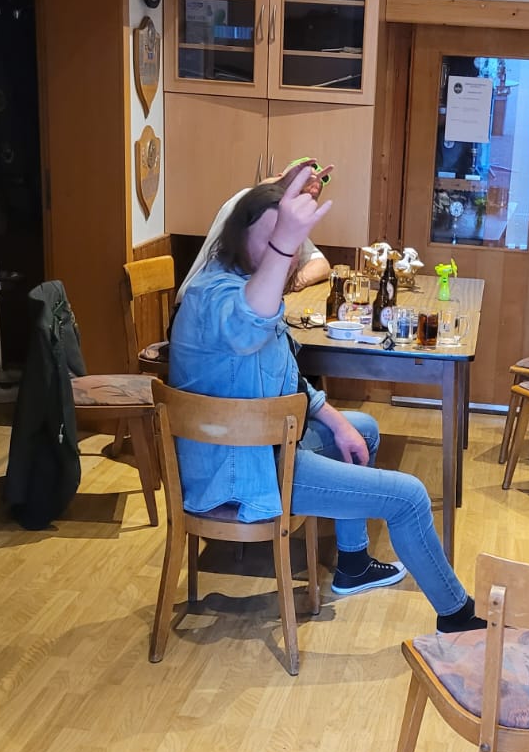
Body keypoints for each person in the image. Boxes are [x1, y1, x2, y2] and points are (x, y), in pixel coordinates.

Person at [168, 165, 488, 631]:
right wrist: (284, 243)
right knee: (409, 497)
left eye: (290, 241)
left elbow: (286, 378)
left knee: (361, 429)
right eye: (272, 239)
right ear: (237, 235)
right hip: (240, 472)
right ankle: (458, 617)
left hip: (261, 446)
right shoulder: (213, 296)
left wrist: (335, 421)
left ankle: (352, 564)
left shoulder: (243, 279)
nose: (285, 253)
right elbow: (246, 325)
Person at [175, 158, 333, 305]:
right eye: (299, 191)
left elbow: (321, 264)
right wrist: (283, 183)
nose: (301, 203)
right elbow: (258, 197)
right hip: (201, 306)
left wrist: (292, 282)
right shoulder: (248, 206)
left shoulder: (289, 225)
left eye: (311, 199)